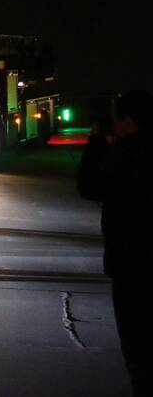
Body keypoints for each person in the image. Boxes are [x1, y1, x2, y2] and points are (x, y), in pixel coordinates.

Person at [80, 90, 153, 394]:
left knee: (137, 345)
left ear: (127, 121)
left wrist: (96, 145)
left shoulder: (126, 154)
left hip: (130, 261)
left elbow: (90, 186)